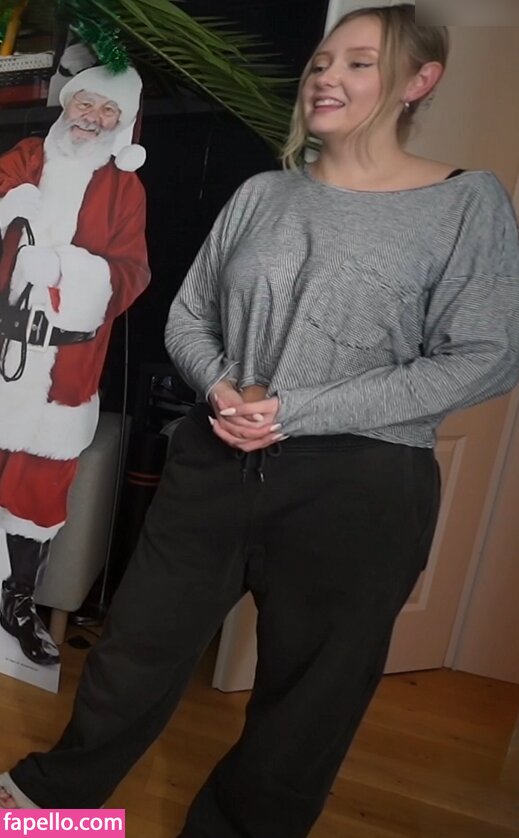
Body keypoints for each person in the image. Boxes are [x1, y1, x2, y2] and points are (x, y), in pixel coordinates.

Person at [1, 4, 519, 836]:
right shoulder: (263, 193)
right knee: (132, 655)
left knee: (309, 695)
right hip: (214, 458)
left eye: (358, 63)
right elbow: (188, 317)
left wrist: (297, 409)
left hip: (359, 482)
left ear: (419, 81)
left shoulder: (464, 202)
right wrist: (217, 389)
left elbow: (486, 355)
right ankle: (49, 813)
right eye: (322, 61)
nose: (326, 76)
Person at [0, 64, 150, 666]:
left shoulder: (125, 190)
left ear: (123, 122)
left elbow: (132, 274)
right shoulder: (29, 155)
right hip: (1, 347)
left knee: (39, 484)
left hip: (65, 365)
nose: (94, 118)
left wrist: (67, 271)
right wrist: (14, 207)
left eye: (109, 110)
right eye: (87, 103)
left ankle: (17, 600)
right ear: (68, 104)